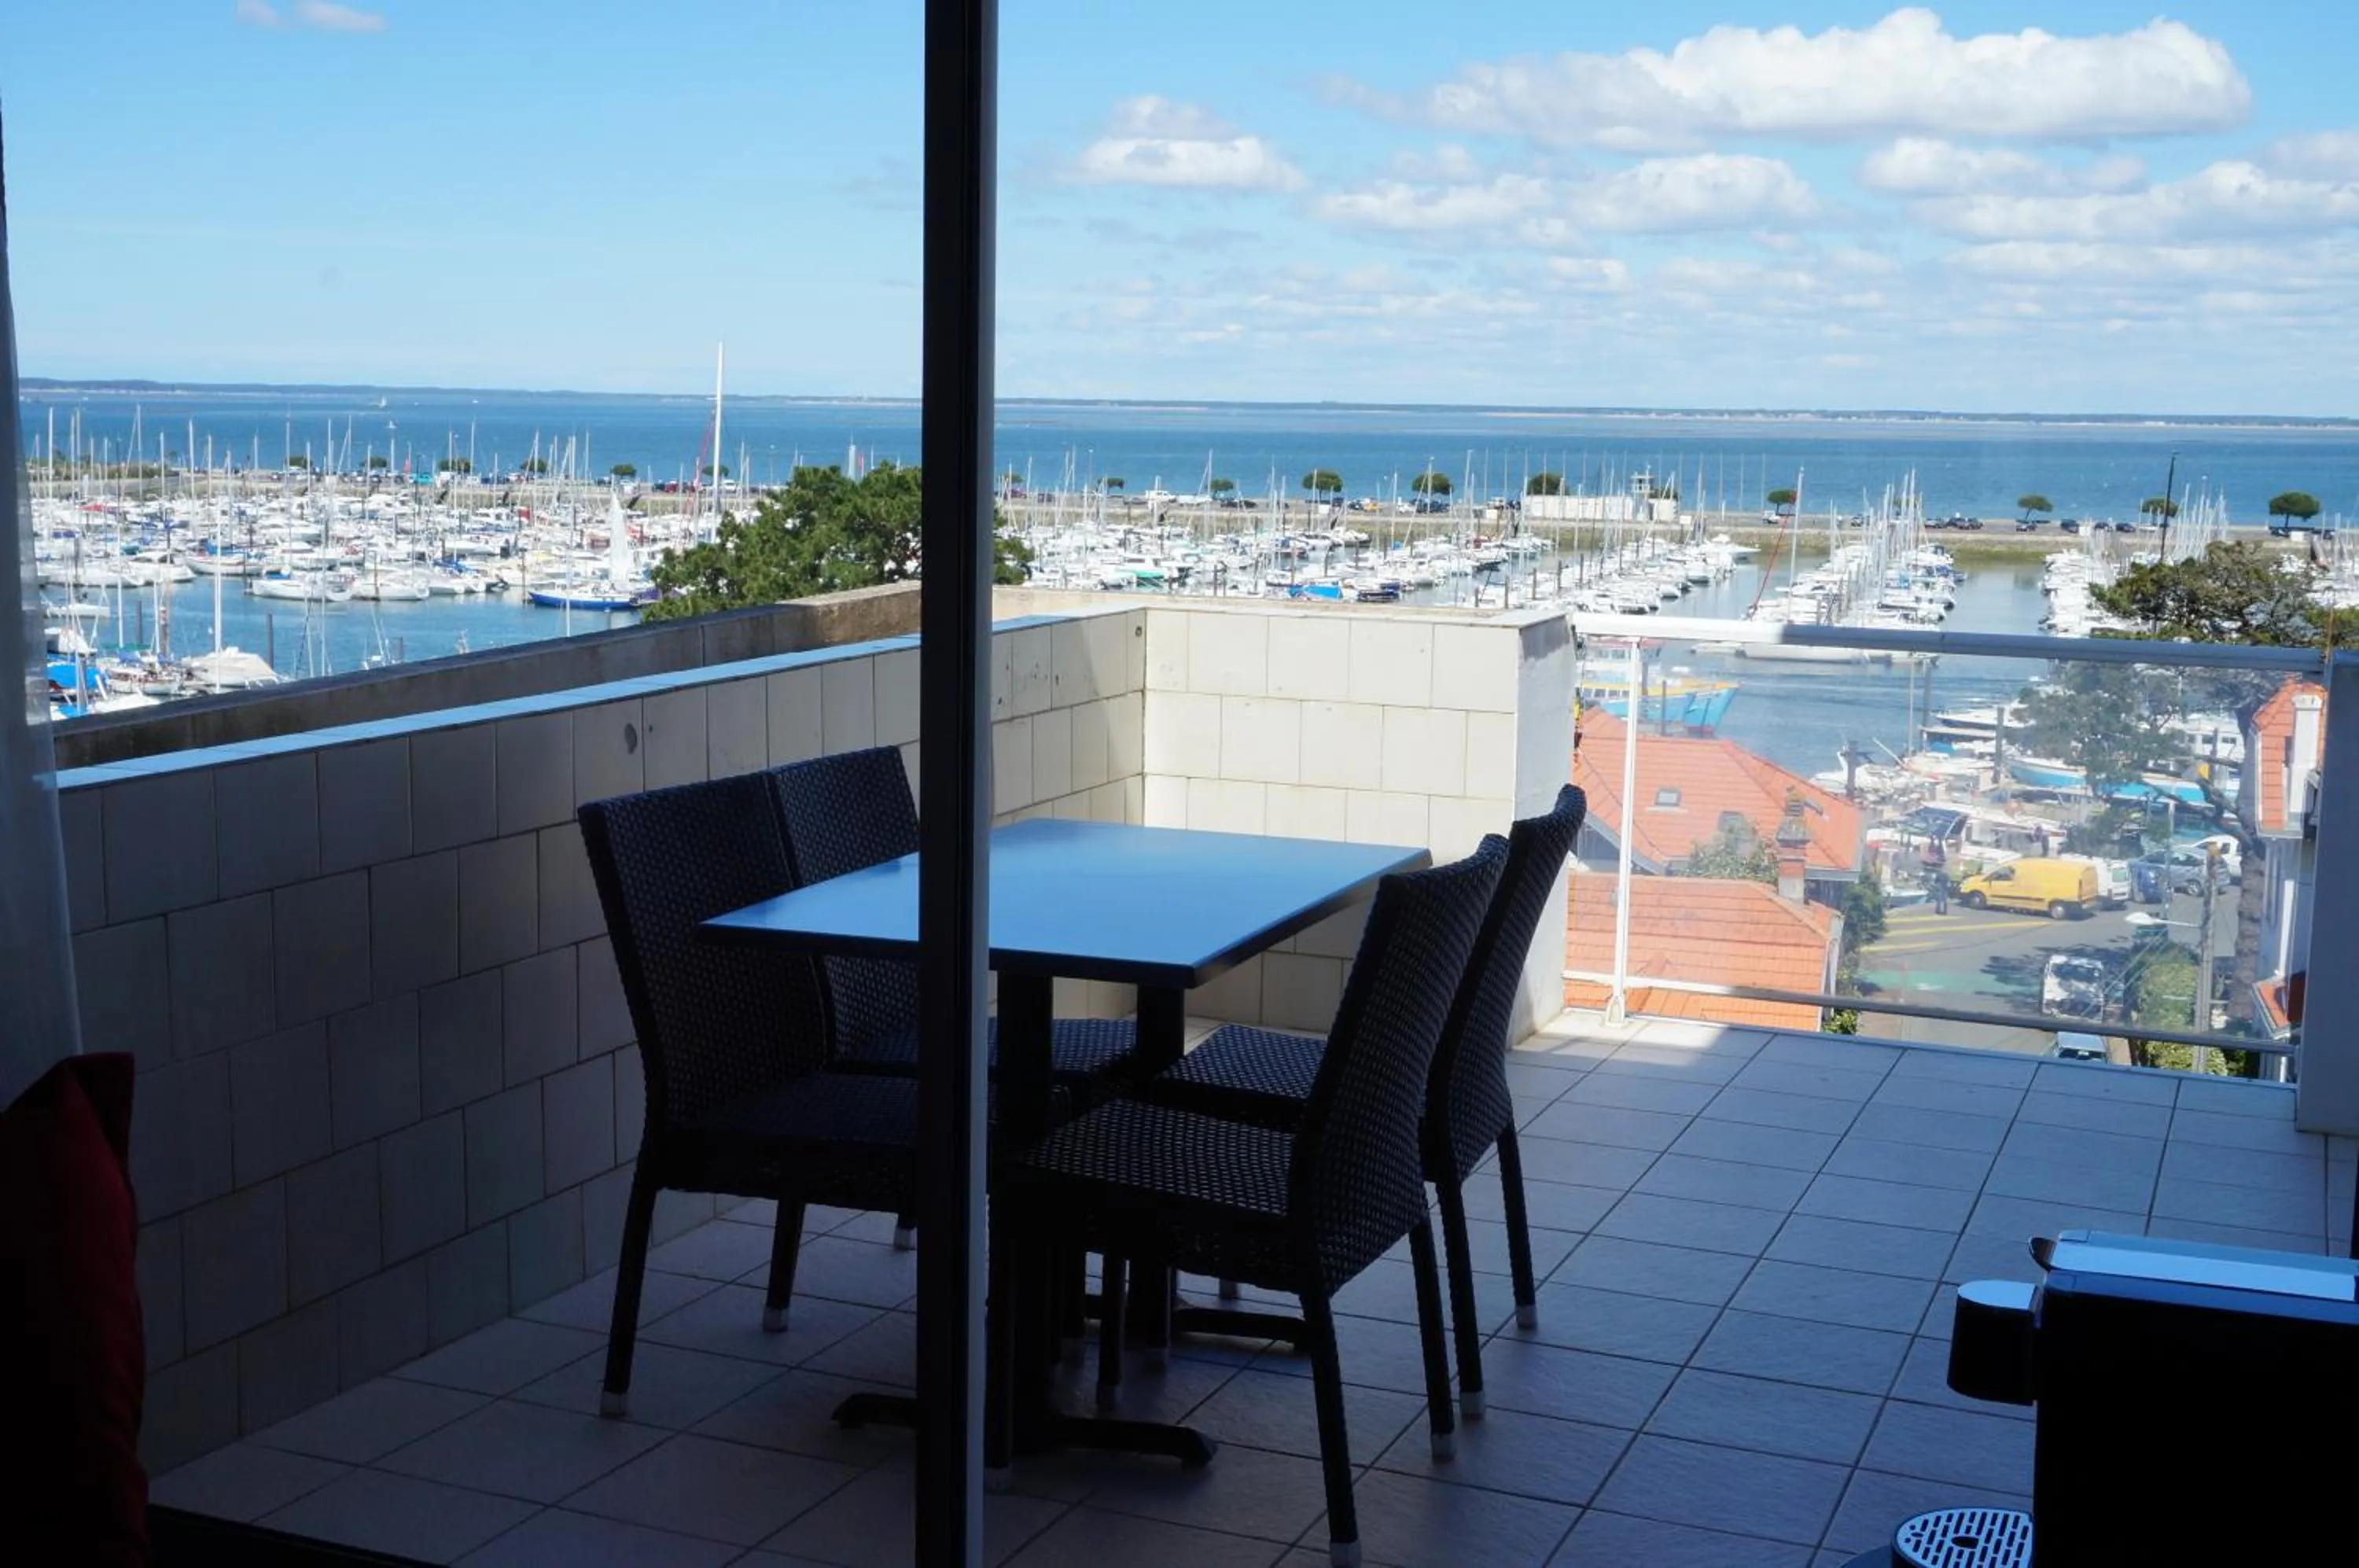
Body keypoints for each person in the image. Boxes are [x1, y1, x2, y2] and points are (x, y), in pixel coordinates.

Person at [1920, 837, 1949, 915]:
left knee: (1940, 900)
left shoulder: (1940, 873)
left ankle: (1940, 911)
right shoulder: (1945, 875)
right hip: (1944, 889)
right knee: (1944, 900)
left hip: (1940, 888)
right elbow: (1947, 884)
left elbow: (1936, 881)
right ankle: (1943, 911)